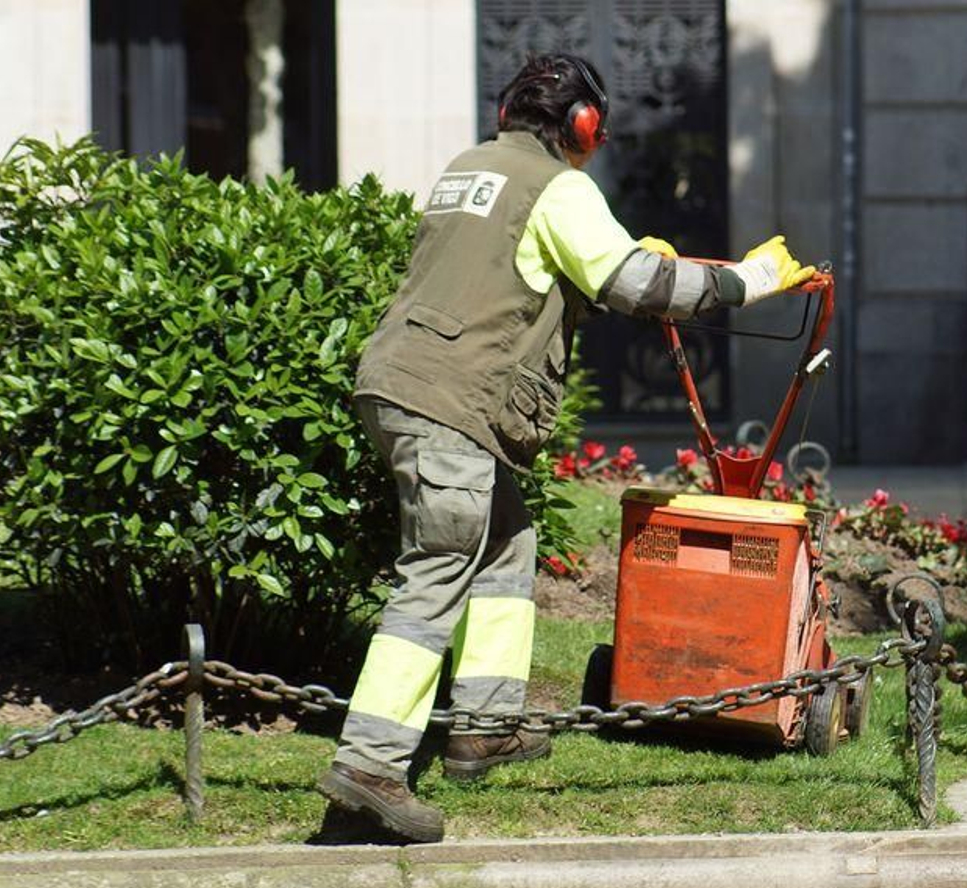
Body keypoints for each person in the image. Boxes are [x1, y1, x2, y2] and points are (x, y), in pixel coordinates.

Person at [315, 52, 816, 843]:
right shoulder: (560, 187)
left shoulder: (467, 168)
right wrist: (747, 280)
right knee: (438, 565)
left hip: (399, 381)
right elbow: (639, 286)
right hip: (452, 401)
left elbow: (511, 275)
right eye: (597, 128)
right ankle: (370, 763)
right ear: (582, 125)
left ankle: (484, 726)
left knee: (506, 537)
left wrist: (610, 265)